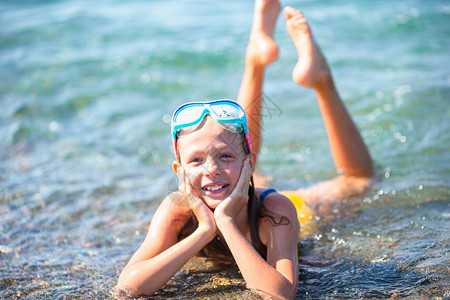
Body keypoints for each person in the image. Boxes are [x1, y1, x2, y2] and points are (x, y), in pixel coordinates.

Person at [115, 0, 372, 298]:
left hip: (288, 205)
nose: (210, 168)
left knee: (359, 180)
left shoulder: (274, 213)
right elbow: (128, 285)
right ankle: (256, 56)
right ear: (179, 170)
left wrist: (224, 222)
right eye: (196, 160)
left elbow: (280, 294)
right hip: (242, 187)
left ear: (248, 163)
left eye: (222, 157)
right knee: (231, 154)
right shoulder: (177, 211)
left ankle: (321, 81)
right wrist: (203, 232)